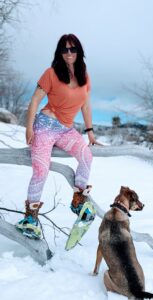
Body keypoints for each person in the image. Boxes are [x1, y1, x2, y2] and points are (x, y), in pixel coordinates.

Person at [16, 33, 100, 239]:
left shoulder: (84, 76)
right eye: (65, 49)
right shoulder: (51, 73)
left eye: (73, 49)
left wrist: (89, 132)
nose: (69, 53)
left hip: (65, 129)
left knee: (86, 156)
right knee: (41, 169)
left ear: (79, 51)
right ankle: (30, 219)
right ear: (59, 53)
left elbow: (86, 105)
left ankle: (78, 201)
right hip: (45, 125)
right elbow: (34, 100)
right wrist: (29, 128)